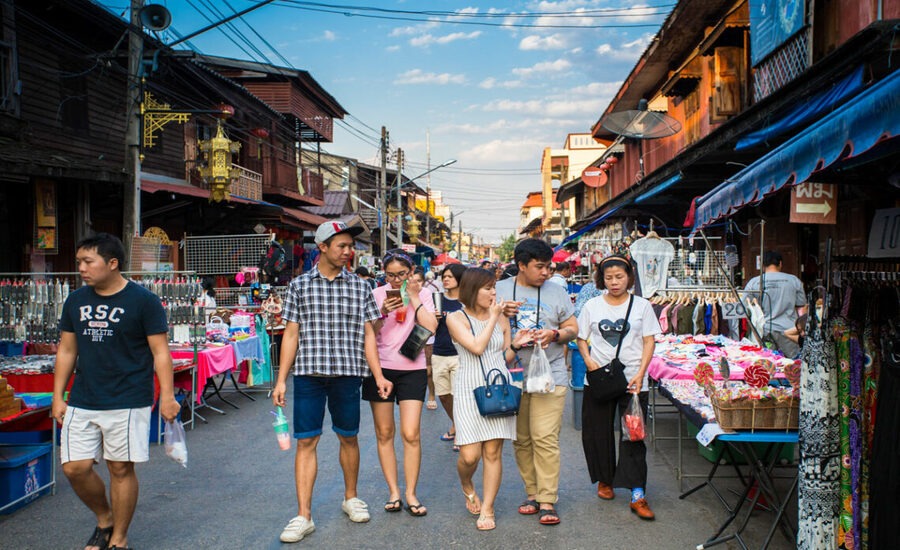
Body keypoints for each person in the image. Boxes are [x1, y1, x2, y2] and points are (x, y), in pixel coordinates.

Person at [52, 233, 181, 550]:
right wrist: (58, 396)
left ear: (112, 263)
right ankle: (104, 518)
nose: (81, 268)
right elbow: (67, 350)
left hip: (128, 397)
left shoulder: (143, 301)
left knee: (120, 468)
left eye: (88, 261)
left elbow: (160, 352)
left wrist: (167, 395)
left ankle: (118, 539)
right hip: (83, 397)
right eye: (79, 262)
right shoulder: (76, 300)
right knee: (74, 467)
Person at [272, 220, 392, 543]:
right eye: (341, 246)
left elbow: (370, 335)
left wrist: (378, 375)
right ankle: (303, 515)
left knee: (348, 437)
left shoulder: (359, 286)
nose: (348, 252)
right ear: (322, 247)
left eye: (350, 246)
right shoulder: (299, 286)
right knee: (306, 441)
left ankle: (351, 497)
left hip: (347, 374)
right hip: (309, 375)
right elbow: (291, 335)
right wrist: (281, 380)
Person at [496, 238, 578, 526]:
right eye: (539, 267)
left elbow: (573, 328)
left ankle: (547, 499)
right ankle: (531, 492)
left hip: (550, 374)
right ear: (521, 265)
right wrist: (498, 314)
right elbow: (482, 324)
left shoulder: (558, 292)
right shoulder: (499, 291)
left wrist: (555, 335)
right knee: (522, 439)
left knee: (544, 437)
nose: (546, 272)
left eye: (548, 267)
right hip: (513, 375)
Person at [446, 268, 532, 531]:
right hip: (468, 390)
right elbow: (476, 348)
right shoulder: (455, 318)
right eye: (487, 288)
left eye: (494, 287)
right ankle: (467, 483)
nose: (494, 293)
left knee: (493, 452)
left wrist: (516, 344)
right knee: (470, 456)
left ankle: (488, 507)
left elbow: (502, 357)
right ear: (472, 290)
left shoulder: (502, 319)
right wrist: (495, 318)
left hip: (498, 387)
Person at [576, 255, 661, 520]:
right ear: (602, 279)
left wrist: (641, 373)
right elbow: (580, 338)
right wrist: (589, 360)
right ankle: (605, 480)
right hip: (599, 379)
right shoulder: (591, 305)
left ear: (629, 277)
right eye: (609, 277)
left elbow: (649, 341)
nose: (614, 282)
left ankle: (638, 493)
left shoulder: (642, 306)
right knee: (597, 432)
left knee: (633, 435)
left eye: (619, 277)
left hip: (634, 381)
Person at [367, 250, 438, 516]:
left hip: (413, 368)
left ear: (411, 272)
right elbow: (368, 335)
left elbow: (431, 327)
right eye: (390, 275)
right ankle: (394, 492)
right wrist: (381, 311)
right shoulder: (375, 295)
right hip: (381, 368)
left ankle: (411, 492)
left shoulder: (425, 295)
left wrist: (414, 296)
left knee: (411, 433)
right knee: (384, 433)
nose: (396, 281)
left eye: (402, 275)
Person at [744, 250, 808, 357]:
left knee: (767, 364)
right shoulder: (793, 280)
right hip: (789, 331)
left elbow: (744, 307)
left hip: (764, 331)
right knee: (793, 365)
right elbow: (801, 307)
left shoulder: (754, 282)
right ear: (780, 264)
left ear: (763, 265)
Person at [431, 263, 467, 449]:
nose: (445, 279)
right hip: (439, 352)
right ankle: (457, 423)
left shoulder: (467, 301)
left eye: (450, 276)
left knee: (458, 395)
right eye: (444, 276)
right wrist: (433, 319)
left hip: (460, 354)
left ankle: (461, 432)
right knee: (444, 395)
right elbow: (427, 328)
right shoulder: (436, 299)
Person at [411, 267, 438, 411]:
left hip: (424, 333)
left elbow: (431, 316)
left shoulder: (426, 293)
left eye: (419, 281)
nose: (417, 284)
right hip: (409, 335)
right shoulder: (404, 292)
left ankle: (431, 395)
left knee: (429, 370)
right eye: (413, 281)